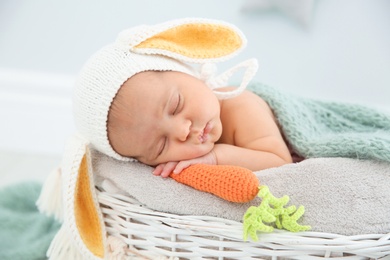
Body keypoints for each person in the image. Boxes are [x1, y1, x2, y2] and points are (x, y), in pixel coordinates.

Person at [73, 18, 295, 178]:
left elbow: (280, 163)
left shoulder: (240, 105)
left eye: (175, 106)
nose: (182, 131)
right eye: (161, 146)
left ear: (185, 72)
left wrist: (216, 158)